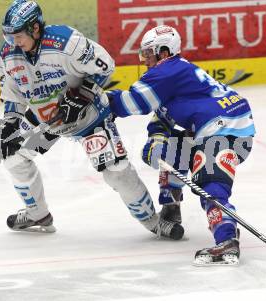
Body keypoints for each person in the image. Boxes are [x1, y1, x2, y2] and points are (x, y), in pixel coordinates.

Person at [0, 1, 184, 240]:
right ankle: (37, 214)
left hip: (88, 118)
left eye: (18, 36)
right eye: (9, 37)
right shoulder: (8, 55)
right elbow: (13, 98)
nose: (13, 43)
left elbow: (105, 66)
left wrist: (80, 96)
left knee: (117, 171)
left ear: (35, 28)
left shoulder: (66, 42)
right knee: (12, 157)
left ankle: (154, 222)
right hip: (47, 120)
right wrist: (7, 125)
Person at [107, 25, 255, 266]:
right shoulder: (175, 75)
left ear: (164, 52)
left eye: (149, 53)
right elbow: (161, 118)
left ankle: (227, 238)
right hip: (220, 126)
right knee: (171, 149)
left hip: (225, 129)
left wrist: (101, 102)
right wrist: (155, 142)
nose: (144, 59)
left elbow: (133, 102)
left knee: (209, 183)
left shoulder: (167, 71)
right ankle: (171, 207)